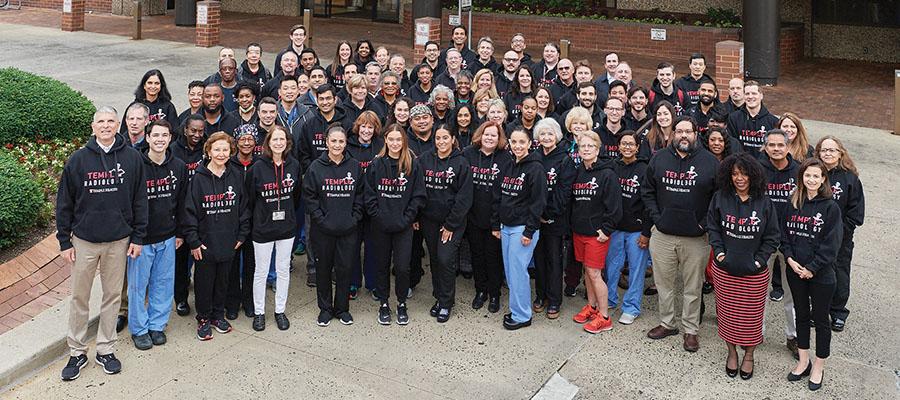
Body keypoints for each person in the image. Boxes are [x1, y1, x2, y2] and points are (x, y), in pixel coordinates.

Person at [57, 106, 148, 381]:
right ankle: (77, 351)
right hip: (84, 240)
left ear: (117, 124)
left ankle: (106, 349)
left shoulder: (132, 158)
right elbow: (64, 203)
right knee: (79, 298)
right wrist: (65, 241)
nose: (106, 126)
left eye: (110, 121)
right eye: (101, 122)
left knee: (111, 297)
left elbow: (140, 200)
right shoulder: (78, 160)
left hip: (118, 241)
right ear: (93, 126)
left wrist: (138, 236)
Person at [641, 116, 719, 352]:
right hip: (663, 235)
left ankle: (691, 330)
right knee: (663, 284)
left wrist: (703, 225)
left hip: (696, 238)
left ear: (696, 134)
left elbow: (719, 199)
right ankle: (667, 323)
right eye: (679, 131)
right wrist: (657, 218)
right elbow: (647, 191)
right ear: (673, 134)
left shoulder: (710, 162)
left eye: (688, 131)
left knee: (693, 287)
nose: (683, 135)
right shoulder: (659, 160)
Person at [707, 153, 781, 380]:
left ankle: (749, 355)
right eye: (735, 174)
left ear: (753, 176)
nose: (740, 178)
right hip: (725, 271)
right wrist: (719, 253)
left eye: (744, 174)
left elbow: (772, 236)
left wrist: (759, 260)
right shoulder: (721, 197)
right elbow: (713, 228)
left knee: (751, 318)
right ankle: (731, 353)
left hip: (754, 274)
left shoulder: (764, 201)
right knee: (727, 314)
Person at [183, 132, 250, 341]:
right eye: (217, 149)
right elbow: (189, 212)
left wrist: (242, 234)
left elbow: (244, 208)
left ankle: (217, 315)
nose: (221, 153)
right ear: (208, 151)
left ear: (231, 152)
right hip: (204, 243)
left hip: (229, 241)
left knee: (224, 281)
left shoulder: (236, 176)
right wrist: (193, 240)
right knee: (204, 282)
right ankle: (203, 318)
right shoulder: (197, 179)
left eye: (225, 149)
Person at [782, 158, 843, 391]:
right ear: (802, 177)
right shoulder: (793, 202)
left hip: (821, 275)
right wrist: (789, 258)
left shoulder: (830, 207)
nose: (811, 179)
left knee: (821, 319)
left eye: (816, 176)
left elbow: (832, 244)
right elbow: (784, 235)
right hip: (795, 269)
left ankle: (819, 365)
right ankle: (803, 360)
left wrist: (812, 267)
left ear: (823, 179)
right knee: (801, 316)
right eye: (807, 175)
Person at [128, 120, 187, 351]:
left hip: (169, 235)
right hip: (142, 239)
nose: (160, 139)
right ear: (148, 138)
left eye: (165, 135)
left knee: (163, 284)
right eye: (156, 135)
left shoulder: (179, 166)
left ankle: (157, 325)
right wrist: (134, 237)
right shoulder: (136, 164)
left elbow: (183, 201)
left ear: (170, 138)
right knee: (137, 286)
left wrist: (180, 232)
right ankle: (139, 329)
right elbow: (129, 202)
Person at [304, 125, 364, 326]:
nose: (337, 145)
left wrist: (354, 218)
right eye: (334, 141)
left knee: (345, 269)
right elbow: (310, 197)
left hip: (348, 229)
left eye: (341, 141)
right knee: (323, 269)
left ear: (346, 143)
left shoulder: (354, 166)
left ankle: (342, 308)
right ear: (326, 142)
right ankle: (325, 309)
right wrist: (321, 219)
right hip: (323, 230)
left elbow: (361, 195)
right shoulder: (315, 167)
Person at [366, 124, 426, 325]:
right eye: (391, 139)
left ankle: (401, 303)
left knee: (402, 267)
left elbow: (418, 196)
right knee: (381, 266)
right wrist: (378, 216)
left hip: (403, 226)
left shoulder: (412, 164)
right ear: (386, 141)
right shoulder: (376, 164)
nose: (394, 143)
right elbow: (369, 195)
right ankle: (384, 303)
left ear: (404, 141)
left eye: (398, 140)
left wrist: (407, 218)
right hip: (381, 226)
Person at [244, 125, 299, 331]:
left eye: (282, 139)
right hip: (263, 228)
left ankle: (279, 310)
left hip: (286, 227)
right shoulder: (257, 167)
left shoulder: (294, 165)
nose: (278, 143)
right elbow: (250, 199)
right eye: (274, 139)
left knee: (283, 270)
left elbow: (296, 195)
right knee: (261, 271)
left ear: (287, 142)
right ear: (268, 143)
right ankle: (259, 312)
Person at [569, 130, 622, 334]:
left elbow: (615, 207)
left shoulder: (607, 173)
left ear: (598, 149)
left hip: (596, 234)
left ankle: (604, 316)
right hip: (580, 231)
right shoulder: (578, 172)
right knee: (587, 272)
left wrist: (606, 229)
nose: (586, 149)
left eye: (590, 146)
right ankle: (591, 307)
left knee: (594, 273)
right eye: (583, 146)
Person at [418, 124, 473, 323]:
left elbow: (464, 198)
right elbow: (418, 189)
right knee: (434, 259)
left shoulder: (461, 163)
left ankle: (447, 302)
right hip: (429, 220)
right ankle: (439, 297)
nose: (441, 142)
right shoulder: (425, 160)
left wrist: (451, 225)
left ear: (452, 139)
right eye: (438, 138)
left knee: (445, 259)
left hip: (452, 223)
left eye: (445, 138)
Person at [495, 128, 547, 330]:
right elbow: (501, 195)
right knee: (510, 273)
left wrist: (529, 231)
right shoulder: (509, 165)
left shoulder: (536, 169)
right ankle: (517, 308)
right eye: (514, 142)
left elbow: (538, 202)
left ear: (529, 144)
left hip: (522, 229)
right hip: (506, 226)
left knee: (518, 273)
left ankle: (523, 315)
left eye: (521, 142)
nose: (517, 146)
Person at [816, 136, 865, 332]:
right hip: (814, 235)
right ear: (818, 153)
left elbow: (856, 213)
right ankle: (818, 310)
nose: (827, 153)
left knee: (839, 273)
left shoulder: (849, 178)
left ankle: (837, 312)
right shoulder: (813, 174)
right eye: (824, 150)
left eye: (832, 150)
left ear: (840, 153)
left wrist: (838, 233)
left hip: (840, 238)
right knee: (817, 273)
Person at [760, 129, 801, 359]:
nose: (776, 149)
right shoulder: (757, 170)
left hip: (791, 241)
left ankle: (793, 336)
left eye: (780, 145)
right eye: (771, 145)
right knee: (758, 291)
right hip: (763, 240)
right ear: (765, 147)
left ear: (788, 146)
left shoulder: (798, 172)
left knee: (792, 293)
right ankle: (757, 333)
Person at [464, 121, 511, 313]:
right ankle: (480, 291)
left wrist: (497, 221)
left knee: (493, 258)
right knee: (477, 256)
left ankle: (494, 295)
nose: (489, 138)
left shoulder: (505, 158)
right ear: (480, 135)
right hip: (473, 217)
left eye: (494, 135)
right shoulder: (468, 154)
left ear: (499, 138)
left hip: (495, 218)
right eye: (486, 134)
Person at [605, 131, 651, 325]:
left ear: (637, 147)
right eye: (623, 143)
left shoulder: (644, 169)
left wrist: (646, 232)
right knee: (612, 267)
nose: (627, 147)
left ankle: (631, 307)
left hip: (636, 230)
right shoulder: (612, 167)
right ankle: (609, 299)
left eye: (631, 144)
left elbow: (650, 202)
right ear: (618, 146)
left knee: (636, 270)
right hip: (614, 228)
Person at [532, 118, 575, 320]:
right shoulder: (534, 157)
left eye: (550, 134)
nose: (546, 137)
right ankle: (540, 295)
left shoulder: (565, 160)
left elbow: (564, 192)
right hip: (535, 219)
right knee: (538, 260)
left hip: (555, 219)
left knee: (554, 260)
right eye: (543, 134)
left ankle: (554, 299)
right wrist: (536, 214)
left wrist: (547, 214)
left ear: (557, 136)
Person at [171, 114, 206, 317]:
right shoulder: (174, 150)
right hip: (181, 213)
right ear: (185, 129)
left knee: (202, 259)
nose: (196, 134)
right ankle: (181, 299)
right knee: (181, 262)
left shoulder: (206, 150)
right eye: (193, 130)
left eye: (200, 131)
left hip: (204, 212)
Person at [347, 112, 384, 299]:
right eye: (363, 126)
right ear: (357, 127)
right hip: (353, 204)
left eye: (370, 127)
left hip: (374, 204)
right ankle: (353, 283)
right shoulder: (349, 146)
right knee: (352, 246)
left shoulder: (381, 146)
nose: (367, 130)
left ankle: (372, 283)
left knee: (373, 246)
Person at [297, 84, 344, 172]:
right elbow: (303, 153)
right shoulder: (309, 125)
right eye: (321, 99)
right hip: (315, 175)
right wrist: (314, 171)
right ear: (317, 101)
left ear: (335, 99)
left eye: (328, 98)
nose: (325, 102)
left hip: (340, 175)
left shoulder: (346, 123)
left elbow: (349, 152)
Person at [726, 80, 778, 152]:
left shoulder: (773, 121)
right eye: (747, 94)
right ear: (744, 96)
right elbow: (732, 146)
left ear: (761, 95)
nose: (750, 97)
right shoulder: (733, 119)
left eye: (754, 93)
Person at [121, 69, 179, 134]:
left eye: (156, 83)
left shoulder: (168, 107)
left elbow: (174, 132)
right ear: (144, 85)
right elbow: (124, 131)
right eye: (150, 83)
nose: (153, 86)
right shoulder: (134, 107)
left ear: (161, 86)